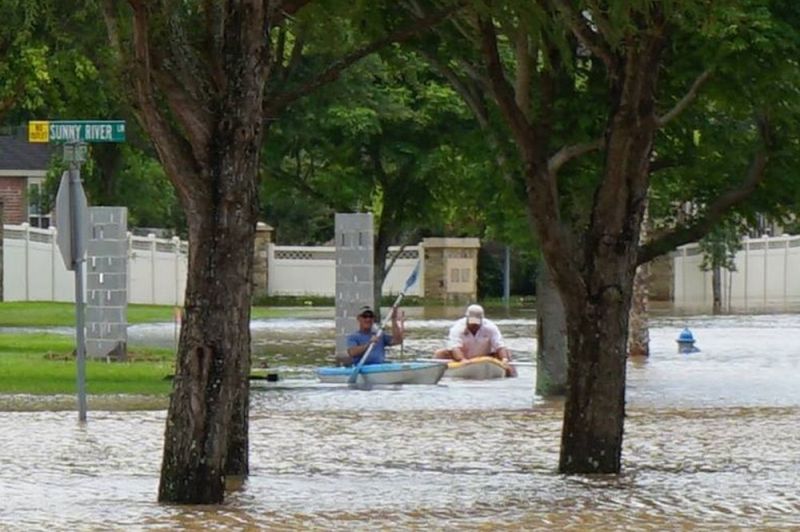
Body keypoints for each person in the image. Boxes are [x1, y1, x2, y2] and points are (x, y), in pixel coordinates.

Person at [434, 304, 516, 377]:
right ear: (467, 318)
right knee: (439, 353)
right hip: (462, 357)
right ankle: (438, 374)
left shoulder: (490, 327)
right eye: (471, 321)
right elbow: (455, 348)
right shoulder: (457, 328)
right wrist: (462, 360)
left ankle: (511, 375)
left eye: (476, 321)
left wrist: (504, 359)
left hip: (486, 355)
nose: (474, 325)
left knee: (507, 353)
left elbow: (499, 345)